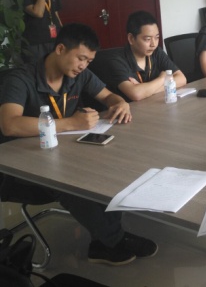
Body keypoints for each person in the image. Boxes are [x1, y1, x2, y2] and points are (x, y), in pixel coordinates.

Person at [0, 23, 157, 265]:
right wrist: (70, 123)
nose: (84, 65)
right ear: (60, 49)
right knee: (72, 177)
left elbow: (108, 96)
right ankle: (112, 240)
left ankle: (104, 239)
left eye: (89, 61)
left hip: (63, 152)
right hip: (20, 168)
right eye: (81, 58)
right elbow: (9, 125)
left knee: (112, 160)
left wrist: (120, 103)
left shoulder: (78, 75)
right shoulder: (21, 78)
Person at [90, 11, 186, 102]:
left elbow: (182, 79)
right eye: (147, 39)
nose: (153, 44)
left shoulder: (157, 52)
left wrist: (146, 91)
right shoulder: (116, 60)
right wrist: (162, 79)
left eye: (157, 37)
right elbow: (136, 94)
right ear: (131, 39)